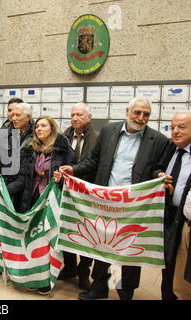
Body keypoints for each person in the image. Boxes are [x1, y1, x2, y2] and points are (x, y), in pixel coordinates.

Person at [60, 97, 169, 300]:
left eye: (146, 114)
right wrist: (73, 169)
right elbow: (94, 160)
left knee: (129, 248)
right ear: (128, 111)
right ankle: (100, 286)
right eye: (137, 112)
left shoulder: (159, 140)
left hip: (135, 205)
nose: (141, 117)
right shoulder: (109, 131)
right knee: (103, 244)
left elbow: (156, 168)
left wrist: (159, 175)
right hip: (107, 200)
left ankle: (125, 290)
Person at [16, 116, 75, 294]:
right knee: (35, 240)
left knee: (48, 239)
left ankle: (48, 279)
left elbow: (73, 170)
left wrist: (62, 177)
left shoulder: (63, 148)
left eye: (43, 126)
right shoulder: (31, 148)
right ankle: (36, 276)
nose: (39, 129)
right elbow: (24, 174)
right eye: (37, 126)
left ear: (52, 128)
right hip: (33, 198)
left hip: (52, 199)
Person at [0, 102, 34, 276]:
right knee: (2, 224)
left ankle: (16, 262)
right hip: (5, 186)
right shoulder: (5, 132)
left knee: (20, 227)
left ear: (28, 117)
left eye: (18, 115)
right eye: (12, 114)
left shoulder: (35, 133)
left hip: (25, 188)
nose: (14, 118)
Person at [60, 102, 98, 290]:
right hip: (67, 192)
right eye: (73, 114)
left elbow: (94, 162)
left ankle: (84, 272)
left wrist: (74, 170)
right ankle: (69, 267)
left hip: (87, 193)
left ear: (88, 117)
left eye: (79, 115)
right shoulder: (64, 135)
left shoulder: (97, 137)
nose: (75, 118)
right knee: (67, 229)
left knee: (86, 233)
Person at [156, 111, 191, 300]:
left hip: (186, 220)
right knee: (167, 263)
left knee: (184, 266)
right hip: (168, 216)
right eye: (173, 127)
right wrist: (159, 174)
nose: (175, 131)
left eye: (182, 127)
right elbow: (156, 167)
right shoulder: (170, 147)